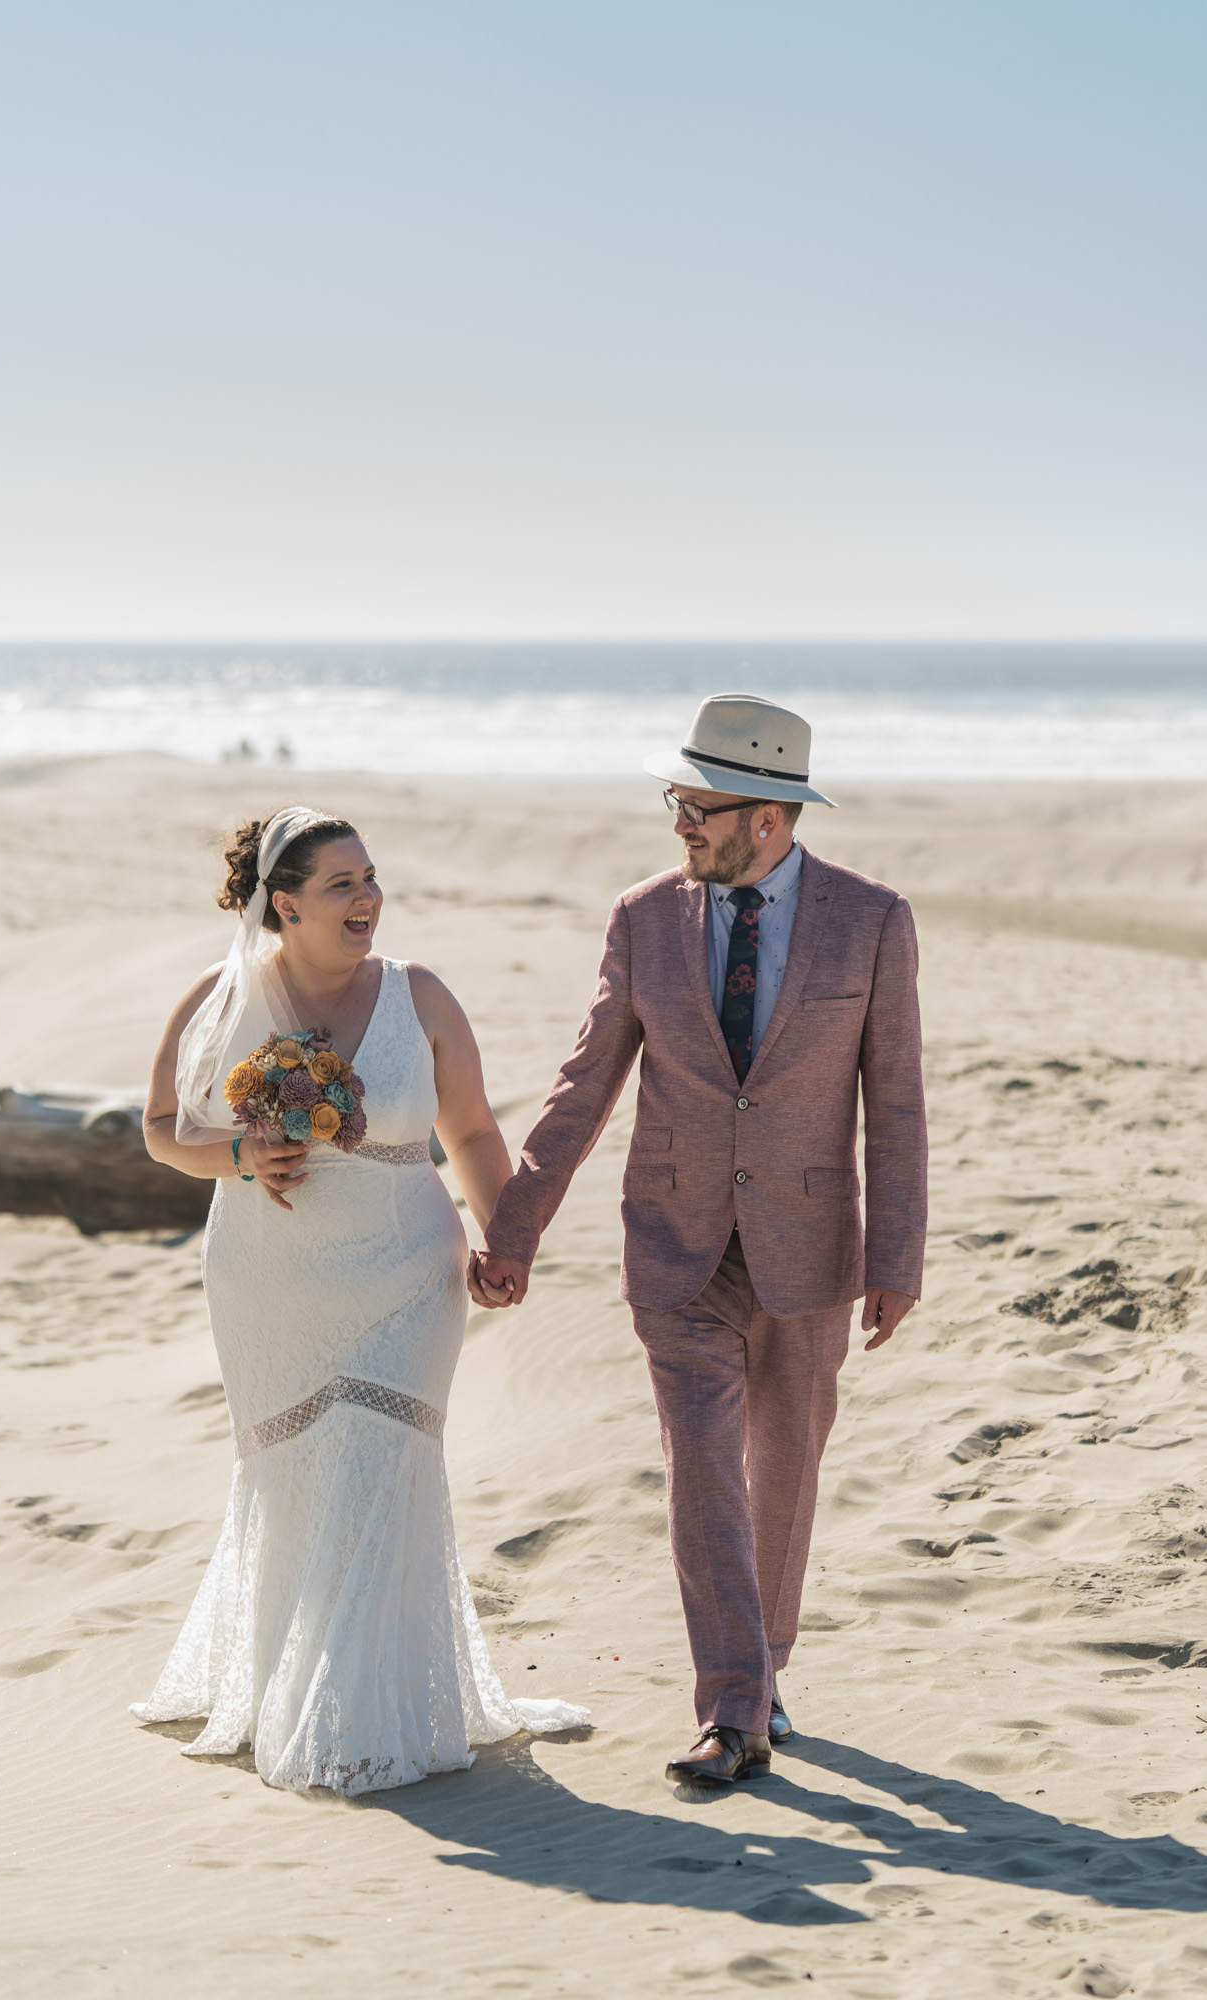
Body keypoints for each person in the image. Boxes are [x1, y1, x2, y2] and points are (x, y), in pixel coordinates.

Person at [468, 695, 927, 1787]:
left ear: (766, 818)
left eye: (695, 806)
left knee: (782, 1472)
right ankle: (729, 1707)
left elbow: (895, 1101)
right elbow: (583, 1085)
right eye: (672, 800)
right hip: (674, 1245)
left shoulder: (870, 919)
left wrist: (895, 1259)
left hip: (810, 1245)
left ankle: (759, 1671)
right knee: (701, 1474)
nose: (678, 823)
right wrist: (514, 1227)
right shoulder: (643, 917)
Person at [133, 806, 585, 1795]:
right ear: (281, 904)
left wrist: (504, 1234)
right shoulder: (218, 998)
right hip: (267, 1279)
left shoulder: (419, 996)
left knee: (383, 1458)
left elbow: (467, 1129)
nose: (368, 898)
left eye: (371, 877)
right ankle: (296, 1684)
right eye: (342, 885)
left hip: (404, 1271)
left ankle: (369, 1712)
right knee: (296, 1472)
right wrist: (241, 1154)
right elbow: (162, 1130)